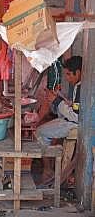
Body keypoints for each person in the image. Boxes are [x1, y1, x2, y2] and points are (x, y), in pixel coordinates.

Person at [24, 55, 82, 184]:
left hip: (76, 124)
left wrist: (57, 101)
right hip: (70, 120)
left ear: (77, 72)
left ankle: (48, 169)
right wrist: (63, 101)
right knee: (42, 129)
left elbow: (77, 116)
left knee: (40, 132)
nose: (66, 78)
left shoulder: (82, 87)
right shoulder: (78, 85)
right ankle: (50, 167)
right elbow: (75, 107)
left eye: (68, 74)